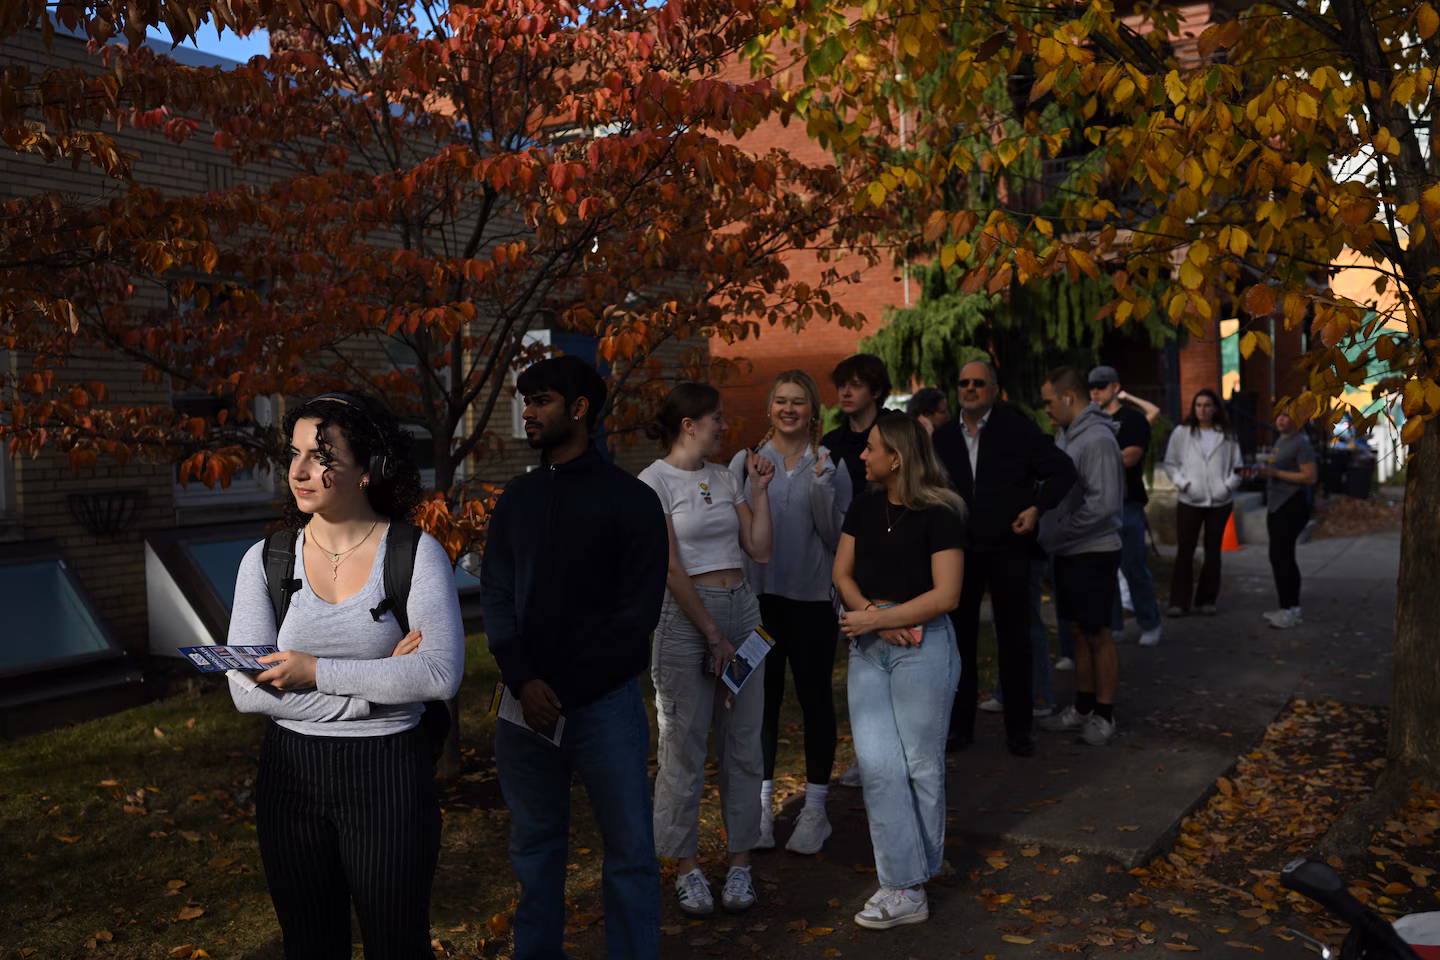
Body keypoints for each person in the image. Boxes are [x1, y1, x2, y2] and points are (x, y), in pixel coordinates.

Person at [227, 393, 465, 960]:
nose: (300, 471)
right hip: (290, 776)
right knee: (309, 944)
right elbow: (243, 690)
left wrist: (313, 672)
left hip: (389, 774)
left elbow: (439, 675)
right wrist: (375, 685)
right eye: (295, 454)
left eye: (322, 455)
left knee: (397, 943)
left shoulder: (414, 554)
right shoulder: (265, 560)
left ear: (369, 468)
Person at [481, 356, 669, 960]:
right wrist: (522, 679)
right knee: (535, 852)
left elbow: (635, 617)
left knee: (631, 852)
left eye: (541, 400)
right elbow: (496, 594)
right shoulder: (517, 497)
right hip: (523, 706)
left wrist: (562, 689)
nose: (528, 412)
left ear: (580, 409)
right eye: (525, 400)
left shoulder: (631, 501)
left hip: (604, 706)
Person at [640, 382, 775, 917]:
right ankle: (687, 866)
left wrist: (758, 493)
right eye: (717, 418)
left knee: (744, 741)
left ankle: (740, 863)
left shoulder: (725, 477)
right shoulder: (653, 482)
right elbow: (671, 567)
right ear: (689, 424)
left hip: (744, 613)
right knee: (684, 744)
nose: (725, 426)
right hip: (686, 622)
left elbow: (759, 548)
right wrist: (712, 635)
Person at [832, 413, 965, 930]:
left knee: (920, 766)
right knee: (879, 768)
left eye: (870, 449)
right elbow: (841, 573)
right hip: (870, 647)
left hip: (924, 647)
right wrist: (872, 616)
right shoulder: (863, 506)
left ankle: (912, 879)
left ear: (897, 458)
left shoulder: (941, 511)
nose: (862, 456)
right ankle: (905, 884)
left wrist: (880, 618)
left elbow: (946, 595)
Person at [728, 371, 853, 855]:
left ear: (813, 412)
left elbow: (834, 540)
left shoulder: (830, 465)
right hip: (756, 604)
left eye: (798, 402)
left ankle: (816, 809)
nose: (788, 409)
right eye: (780, 400)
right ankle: (760, 809)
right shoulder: (745, 462)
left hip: (812, 604)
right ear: (768, 409)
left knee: (815, 699)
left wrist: (822, 490)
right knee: (758, 702)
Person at [932, 360, 1076, 756]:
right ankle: (960, 728)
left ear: (995, 389)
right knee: (958, 642)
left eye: (979, 383)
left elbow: (1063, 470)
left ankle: (1020, 729)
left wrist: (1036, 509)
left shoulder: (1017, 429)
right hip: (960, 553)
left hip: (1008, 549)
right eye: (964, 383)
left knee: (1015, 640)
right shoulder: (942, 439)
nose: (971, 389)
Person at [1035, 367, 1124, 747]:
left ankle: (1105, 714)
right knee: (1078, 632)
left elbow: (1103, 505)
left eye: (1049, 402)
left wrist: (1056, 534)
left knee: (1098, 633)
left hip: (1094, 551)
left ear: (1069, 398)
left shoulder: (1098, 439)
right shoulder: (1066, 435)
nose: (1047, 411)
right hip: (1070, 549)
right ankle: (1084, 706)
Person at [1087, 366, 1163, 646]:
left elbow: (1129, 457)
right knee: (1105, 570)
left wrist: (1092, 459)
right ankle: (1114, 625)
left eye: (1101, 385)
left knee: (1133, 566)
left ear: (1115, 387)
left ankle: (1150, 622)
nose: (1095, 391)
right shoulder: (1089, 421)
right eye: (1092, 386)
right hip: (1097, 504)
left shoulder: (1132, 420)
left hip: (1126, 503)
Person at [1162, 388, 1244, 622]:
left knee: (1213, 552)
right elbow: (1170, 464)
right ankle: (1178, 602)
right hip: (1190, 499)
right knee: (1185, 550)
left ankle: (1207, 599)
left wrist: (1226, 487)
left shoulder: (1227, 435)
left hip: (1219, 500)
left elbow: (1238, 467)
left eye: (1207, 405)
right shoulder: (1182, 433)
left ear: (1215, 408)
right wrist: (1184, 485)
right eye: (1198, 405)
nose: (1202, 410)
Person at [1258, 411, 1317, 629]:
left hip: (1291, 504)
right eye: (1279, 416)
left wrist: (1276, 474)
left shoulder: (1301, 443)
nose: (1281, 420)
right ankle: (1288, 607)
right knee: (1279, 556)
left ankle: (1290, 609)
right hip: (1276, 504)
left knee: (1282, 556)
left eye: (1286, 417)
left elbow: (1310, 476)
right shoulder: (1281, 441)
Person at [823, 353, 892, 492]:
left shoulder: (896, 433)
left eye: (856, 385)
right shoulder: (831, 443)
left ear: (876, 392)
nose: (845, 393)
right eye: (841, 385)